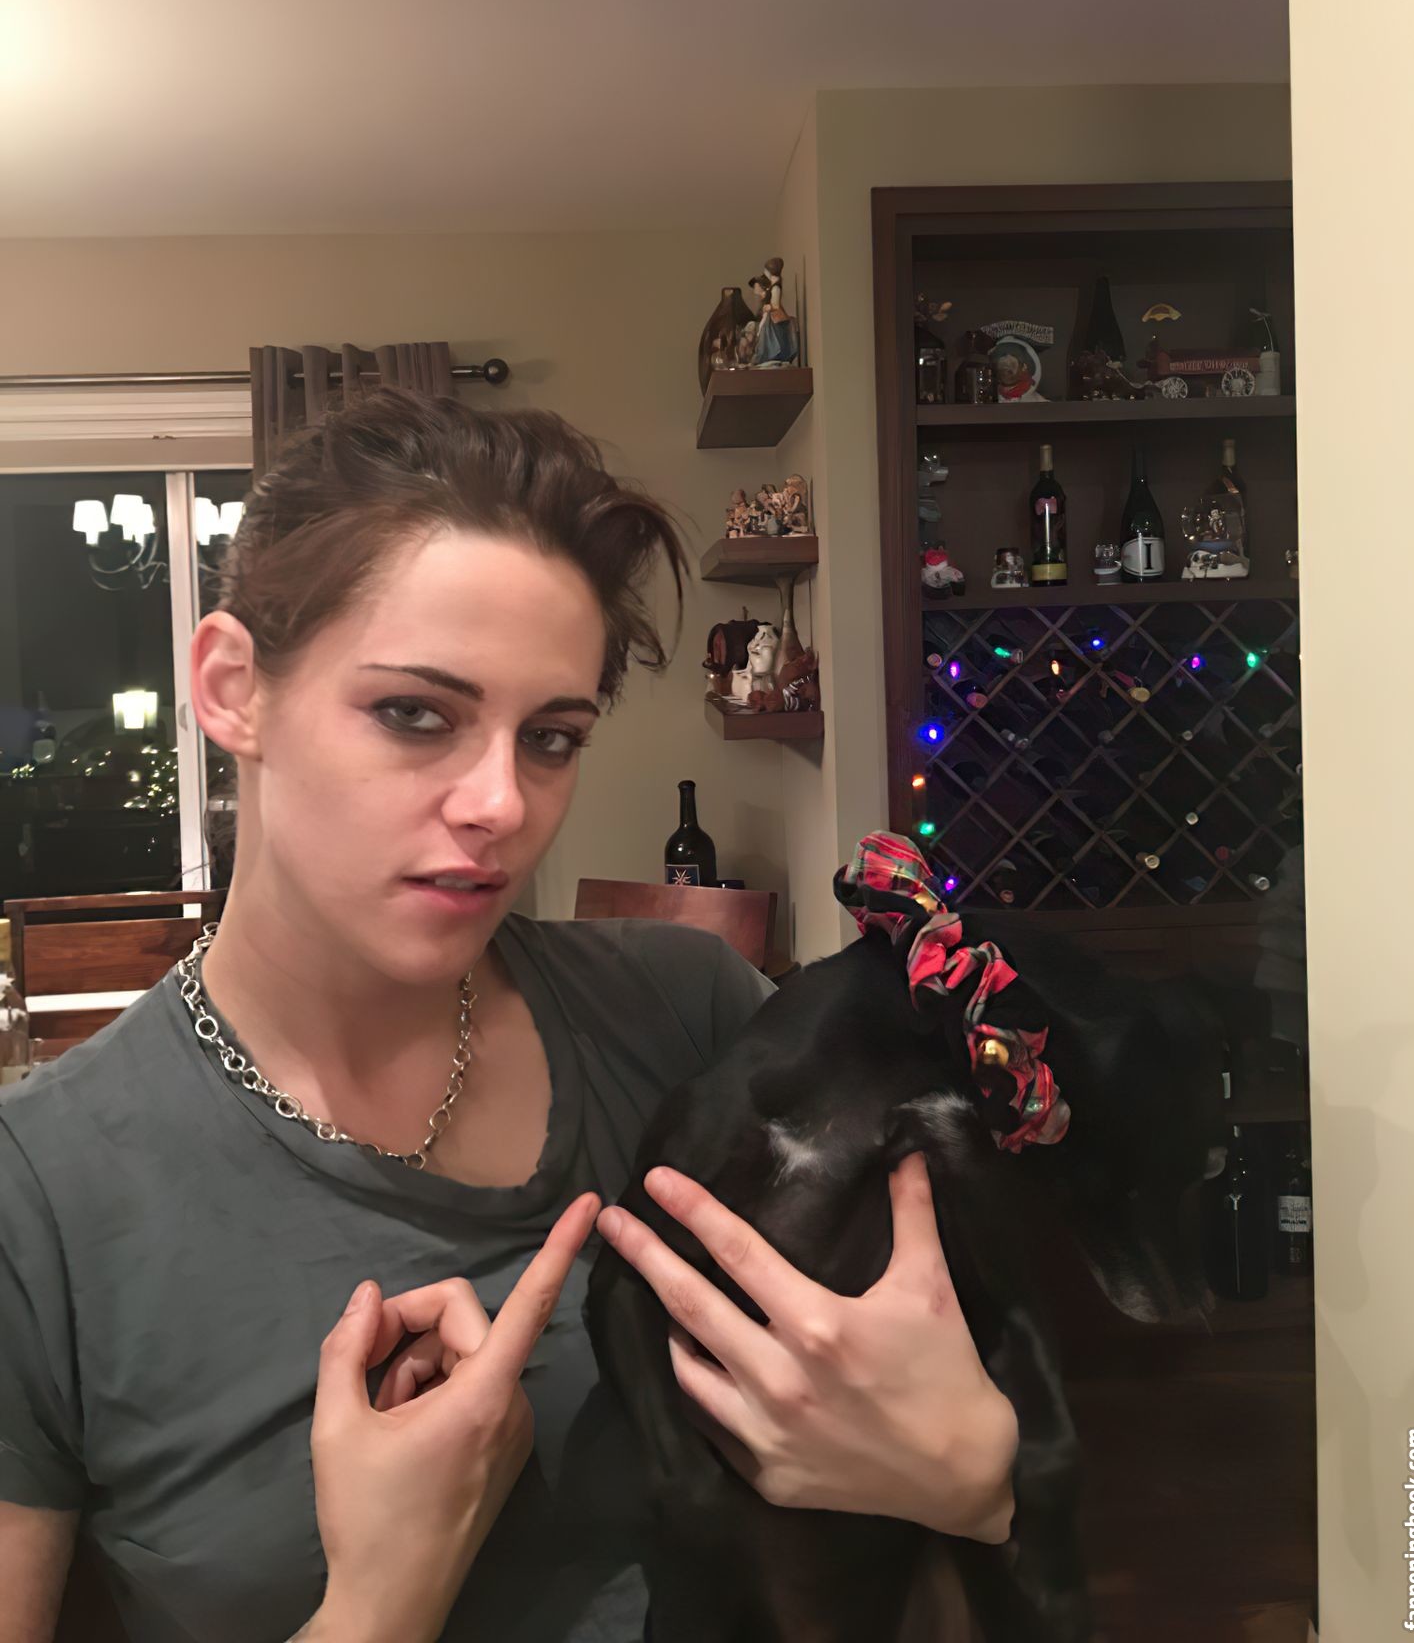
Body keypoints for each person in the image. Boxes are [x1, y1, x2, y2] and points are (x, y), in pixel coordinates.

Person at [0, 389, 1016, 1643]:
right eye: (414, 714)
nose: (501, 805)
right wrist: (379, 1602)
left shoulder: (695, 1017)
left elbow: (978, 1433)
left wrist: (973, 1481)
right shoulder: (36, 1199)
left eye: (551, 738)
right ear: (232, 688)